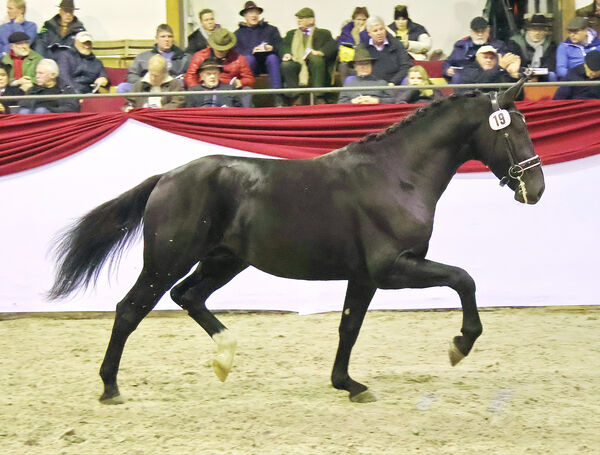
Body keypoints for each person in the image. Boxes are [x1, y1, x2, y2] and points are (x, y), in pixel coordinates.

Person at [279, 7, 338, 105]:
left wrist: (321, 52)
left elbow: (332, 46)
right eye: (298, 18)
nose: (299, 20)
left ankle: (319, 96)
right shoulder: (291, 34)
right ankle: (296, 97)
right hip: (297, 62)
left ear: (312, 20)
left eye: (302, 18)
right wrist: (287, 54)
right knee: (286, 65)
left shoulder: (324, 33)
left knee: (316, 59)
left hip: (313, 64)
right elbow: (284, 46)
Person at [184, 28, 255, 107]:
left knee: (247, 90)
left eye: (224, 49)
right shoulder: (200, 56)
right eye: (218, 49)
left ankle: (243, 116)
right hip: (204, 90)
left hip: (229, 92)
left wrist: (241, 82)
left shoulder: (239, 58)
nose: (222, 52)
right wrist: (198, 90)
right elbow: (190, 76)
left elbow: (249, 78)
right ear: (212, 46)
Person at [234, 1, 282, 103]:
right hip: (250, 66)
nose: (253, 15)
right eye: (250, 13)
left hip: (267, 64)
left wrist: (272, 48)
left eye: (255, 12)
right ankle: (247, 98)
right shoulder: (238, 34)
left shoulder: (271, 29)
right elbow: (236, 53)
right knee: (248, 58)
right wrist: (252, 50)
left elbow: (280, 46)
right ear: (244, 15)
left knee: (272, 58)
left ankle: (277, 96)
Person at [123, 24, 190, 92]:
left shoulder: (183, 57)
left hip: (171, 88)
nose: (166, 39)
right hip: (147, 87)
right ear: (156, 39)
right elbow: (131, 75)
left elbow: (189, 75)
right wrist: (145, 82)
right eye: (163, 36)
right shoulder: (142, 57)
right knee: (123, 87)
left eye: (170, 36)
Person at [442, 16, 506, 81]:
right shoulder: (461, 46)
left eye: (483, 31)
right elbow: (448, 63)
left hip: (491, 81)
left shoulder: (498, 46)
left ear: (488, 31)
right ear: (471, 32)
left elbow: (507, 62)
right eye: (476, 31)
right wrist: (448, 70)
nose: (480, 34)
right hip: (466, 82)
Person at [360, 16, 412, 86]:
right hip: (370, 86)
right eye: (375, 31)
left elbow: (405, 66)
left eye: (381, 29)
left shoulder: (397, 45)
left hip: (393, 86)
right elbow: (360, 70)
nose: (379, 33)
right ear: (369, 33)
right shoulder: (363, 48)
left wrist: (393, 82)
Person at [506, 14, 556, 81]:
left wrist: (537, 77)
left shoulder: (551, 46)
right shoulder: (515, 43)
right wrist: (526, 75)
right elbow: (512, 65)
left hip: (541, 80)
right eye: (534, 29)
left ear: (545, 31)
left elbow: (549, 67)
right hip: (519, 79)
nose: (537, 33)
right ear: (528, 30)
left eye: (540, 30)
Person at [455, 45, 521, 94]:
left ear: (496, 60)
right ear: (477, 58)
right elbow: (483, 79)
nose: (488, 60)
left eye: (492, 58)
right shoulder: (468, 69)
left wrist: (514, 75)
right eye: (485, 57)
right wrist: (500, 67)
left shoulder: (500, 72)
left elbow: (518, 97)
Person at [336, 6, 369, 82]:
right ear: (353, 20)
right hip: (349, 60)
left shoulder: (370, 31)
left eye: (364, 20)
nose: (361, 22)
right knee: (343, 66)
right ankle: (346, 90)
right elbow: (339, 44)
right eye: (358, 19)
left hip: (365, 60)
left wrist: (362, 33)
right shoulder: (346, 30)